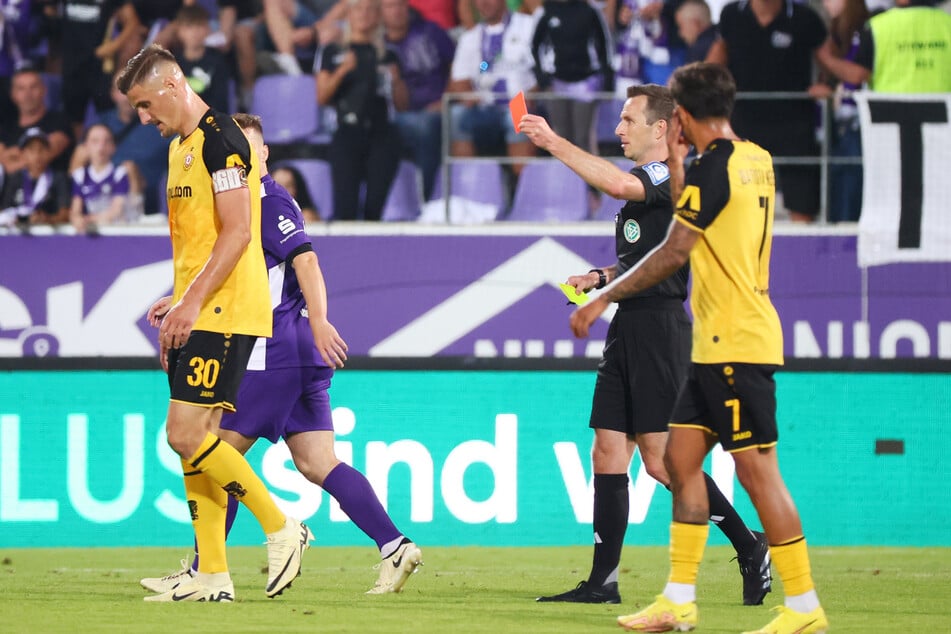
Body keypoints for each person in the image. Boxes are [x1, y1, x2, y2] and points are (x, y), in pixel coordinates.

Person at [569, 62, 828, 634]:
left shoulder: (712, 170)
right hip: (715, 343)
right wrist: (683, 161)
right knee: (679, 463)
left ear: (680, 116)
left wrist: (598, 298)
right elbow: (700, 219)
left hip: (737, 340)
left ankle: (804, 607)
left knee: (760, 477)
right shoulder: (755, 159)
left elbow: (671, 253)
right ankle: (678, 600)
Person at [141, 113, 424, 597]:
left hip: (276, 349)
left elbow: (306, 259)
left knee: (215, 450)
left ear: (264, 154)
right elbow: (243, 274)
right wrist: (185, 297)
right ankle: (395, 546)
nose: (240, 159)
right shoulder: (242, 201)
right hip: (295, 352)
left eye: (249, 150)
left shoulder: (267, 199)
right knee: (317, 462)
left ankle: (203, 570)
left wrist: (319, 320)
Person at [520, 85, 771, 607]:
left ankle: (750, 547)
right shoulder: (654, 180)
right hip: (628, 323)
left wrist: (553, 142)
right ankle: (602, 582)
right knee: (607, 450)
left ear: (661, 129)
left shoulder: (666, 173)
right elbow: (648, 254)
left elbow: (616, 187)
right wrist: (601, 275)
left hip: (659, 329)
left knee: (661, 463)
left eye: (628, 120)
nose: (619, 130)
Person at [116, 43, 311, 603]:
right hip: (203, 304)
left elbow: (237, 233)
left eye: (146, 104)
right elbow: (202, 242)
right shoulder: (183, 146)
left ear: (174, 85)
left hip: (226, 309)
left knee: (185, 434)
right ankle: (213, 575)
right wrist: (175, 298)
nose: (143, 118)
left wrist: (192, 303)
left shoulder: (223, 141)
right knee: (193, 441)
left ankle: (282, 526)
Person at [706, 0, 829, 223]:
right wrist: (698, 86)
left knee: (802, 200)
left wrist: (827, 84)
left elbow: (829, 61)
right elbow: (716, 60)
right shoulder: (731, 14)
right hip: (743, 121)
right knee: (738, 197)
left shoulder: (805, 17)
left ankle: (802, 254)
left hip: (795, 124)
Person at [316, 0, 408, 220]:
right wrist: (342, 71)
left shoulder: (388, 55)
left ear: (378, 16)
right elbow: (321, 97)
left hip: (382, 133)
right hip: (348, 131)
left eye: (370, 9)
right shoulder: (333, 52)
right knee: (345, 207)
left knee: (375, 207)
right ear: (349, 14)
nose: (364, 15)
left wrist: (396, 81)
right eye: (358, 9)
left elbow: (403, 104)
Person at [447, 0, 538, 181]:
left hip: (521, 102)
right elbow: (459, 81)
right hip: (485, 106)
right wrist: (470, 96)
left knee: (518, 116)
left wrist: (532, 95)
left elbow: (542, 73)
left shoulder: (529, 26)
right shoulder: (470, 37)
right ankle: (467, 187)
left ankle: (524, 188)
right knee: (457, 115)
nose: (483, 3)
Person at [383, 0, 455, 201]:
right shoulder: (379, 45)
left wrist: (447, 99)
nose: (396, 11)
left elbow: (456, 67)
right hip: (396, 113)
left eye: (400, 5)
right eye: (389, 6)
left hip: (437, 108)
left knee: (426, 125)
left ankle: (429, 195)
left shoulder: (430, 32)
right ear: (380, 12)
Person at [809, 0, 869, 223]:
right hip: (836, 123)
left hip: (856, 122)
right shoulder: (835, 31)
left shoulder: (865, 30)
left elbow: (857, 75)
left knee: (849, 183)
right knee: (838, 181)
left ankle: (845, 238)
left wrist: (825, 57)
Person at [531, 0, 614, 154]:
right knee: (560, 136)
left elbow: (605, 45)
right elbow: (534, 46)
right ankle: (563, 177)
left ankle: (589, 177)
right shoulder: (545, 10)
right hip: (556, 83)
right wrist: (542, 79)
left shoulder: (591, 10)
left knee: (583, 137)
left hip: (585, 82)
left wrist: (607, 79)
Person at [818, 0, 951, 93]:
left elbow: (857, 75)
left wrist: (826, 58)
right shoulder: (947, 23)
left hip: (888, 122)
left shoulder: (878, 26)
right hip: (944, 125)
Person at [68, 123, 142, 234]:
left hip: (116, 233)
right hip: (90, 234)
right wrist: (76, 219)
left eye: (106, 141)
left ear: (113, 147)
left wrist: (88, 219)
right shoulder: (80, 175)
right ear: (86, 146)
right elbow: (75, 210)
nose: (101, 147)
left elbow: (117, 210)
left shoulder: (119, 173)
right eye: (95, 141)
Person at [0, 66, 74, 174]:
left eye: (33, 87)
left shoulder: (59, 121)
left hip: (52, 189)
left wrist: (12, 157)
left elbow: (44, 156)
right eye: (21, 88)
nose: (28, 94)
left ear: (44, 90)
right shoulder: (6, 130)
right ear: (13, 95)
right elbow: (3, 163)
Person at [0, 128, 72, 229]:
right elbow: (4, 210)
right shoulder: (14, 179)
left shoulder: (58, 179)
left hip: (50, 238)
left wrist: (48, 219)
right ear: (23, 154)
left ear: (48, 152)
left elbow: (65, 214)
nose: (37, 155)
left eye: (41, 149)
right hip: (16, 236)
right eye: (31, 150)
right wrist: (12, 219)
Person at [173, 3, 235, 113]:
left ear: (208, 29)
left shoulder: (217, 62)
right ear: (179, 31)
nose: (195, 32)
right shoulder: (173, 64)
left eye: (199, 26)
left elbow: (220, 103)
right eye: (189, 26)